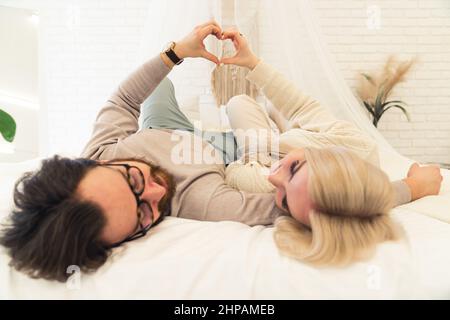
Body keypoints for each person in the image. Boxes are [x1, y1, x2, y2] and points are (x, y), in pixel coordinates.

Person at [0, 21, 442, 282]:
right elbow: (329, 200)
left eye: (132, 180)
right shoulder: (207, 202)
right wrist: (408, 186)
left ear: (95, 163)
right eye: (141, 219)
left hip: (162, 130)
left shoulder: (102, 149)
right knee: (239, 115)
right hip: (210, 150)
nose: (155, 193)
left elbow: (120, 103)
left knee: (160, 90)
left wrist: (176, 53)